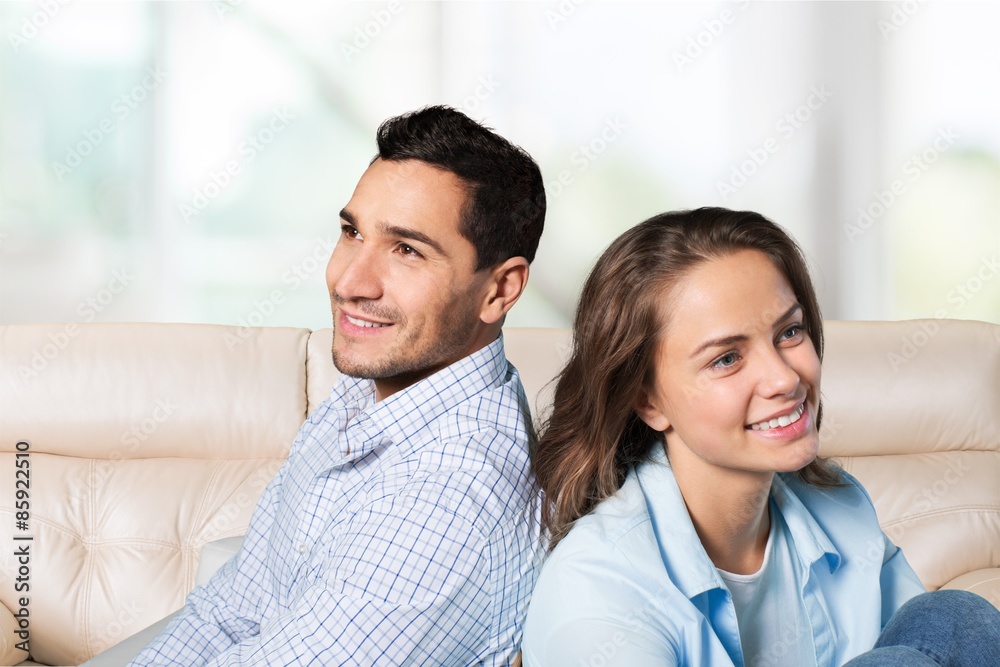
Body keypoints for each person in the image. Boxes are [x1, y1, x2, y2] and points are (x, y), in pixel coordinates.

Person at [130, 105, 546, 665]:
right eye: (352, 233)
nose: (349, 282)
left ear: (500, 289)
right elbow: (232, 610)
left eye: (406, 250)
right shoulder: (367, 392)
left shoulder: (450, 499)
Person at [521, 207, 1000, 666]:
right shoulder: (597, 590)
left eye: (789, 332)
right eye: (726, 358)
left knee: (954, 618)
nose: (785, 379)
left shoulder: (838, 505)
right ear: (649, 401)